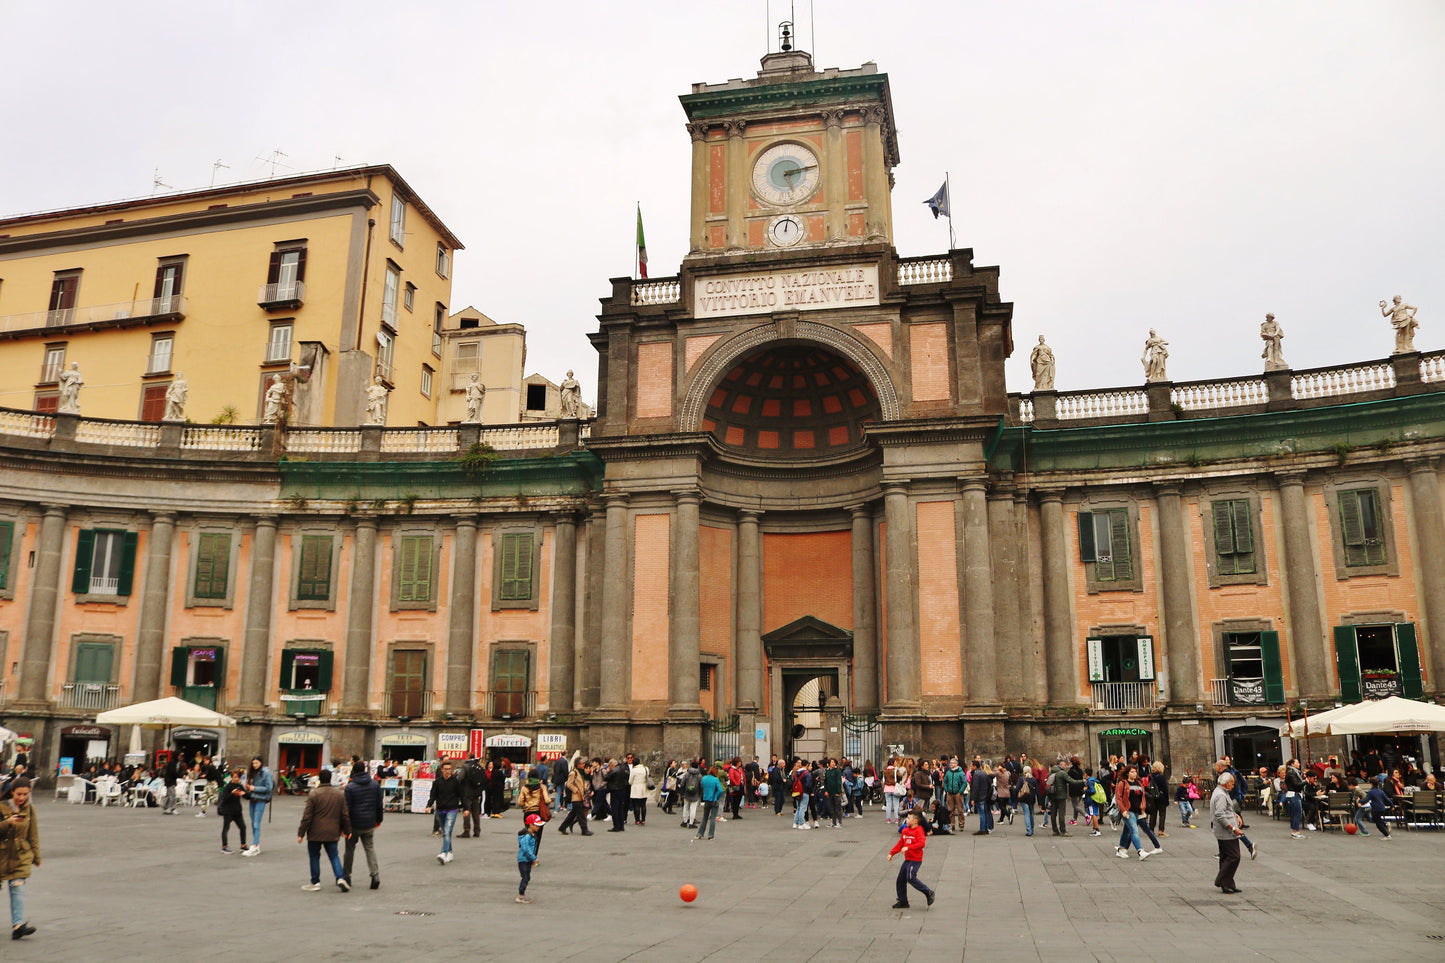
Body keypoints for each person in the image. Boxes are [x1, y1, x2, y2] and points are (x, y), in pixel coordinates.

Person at [296, 769, 351, 892]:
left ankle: (315, 882)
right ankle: (340, 877)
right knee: (334, 856)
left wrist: (301, 833)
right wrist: (347, 830)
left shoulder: (314, 794)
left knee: (314, 856)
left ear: (320, 779)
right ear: (330, 778)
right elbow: (345, 815)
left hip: (315, 831)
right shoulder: (339, 794)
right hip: (332, 831)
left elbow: (307, 816)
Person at [0, 777, 39, 940]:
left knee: (17, 888)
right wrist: (7, 822)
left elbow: (33, 833)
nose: (22, 798)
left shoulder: (29, 809)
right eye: (19, 794)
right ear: (12, 792)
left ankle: (18, 925)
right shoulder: (1, 807)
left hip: (21, 855)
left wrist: (36, 856)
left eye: (25, 794)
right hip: (1, 855)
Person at [343, 758, 384, 890]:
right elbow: (379, 805)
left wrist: (344, 826)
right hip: (369, 822)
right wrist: (378, 820)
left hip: (354, 824)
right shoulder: (375, 785)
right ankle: (375, 875)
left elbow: (347, 809)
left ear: (354, 771)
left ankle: (347, 876)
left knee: (349, 850)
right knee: (369, 848)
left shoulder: (350, 787)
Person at [887, 811, 936, 910]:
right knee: (901, 879)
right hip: (908, 859)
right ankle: (903, 901)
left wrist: (909, 848)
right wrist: (892, 853)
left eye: (909, 818)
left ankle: (928, 892)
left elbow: (921, 843)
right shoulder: (905, 831)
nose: (907, 820)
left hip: (916, 859)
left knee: (910, 877)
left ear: (915, 821)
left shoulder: (919, 830)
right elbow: (901, 843)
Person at [1211, 772, 1244, 893]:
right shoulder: (1221, 795)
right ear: (1226, 784)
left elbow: (1226, 810)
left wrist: (1235, 816)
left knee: (1225, 856)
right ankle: (1221, 880)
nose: (1233, 786)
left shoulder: (1221, 792)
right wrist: (1232, 827)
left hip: (1223, 831)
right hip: (1226, 832)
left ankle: (1228, 883)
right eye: (1232, 784)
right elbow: (1219, 814)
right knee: (1234, 856)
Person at [428, 760, 465, 864]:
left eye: (450, 769)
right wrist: (428, 805)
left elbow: (461, 795)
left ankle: (443, 853)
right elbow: (433, 795)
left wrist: (466, 808)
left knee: (447, 831)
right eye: (446, 769)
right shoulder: (437, 782)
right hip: (440, 809)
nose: (448, 771)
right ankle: (450, 852)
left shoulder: (456, 781)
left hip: (452, 809)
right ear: (442, 770)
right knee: (445, 833)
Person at [241, 757, 274, 857]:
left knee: (256, 823)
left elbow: (269, 788)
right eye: (253, 763)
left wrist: (254, 788)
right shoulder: (254, 772)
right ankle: (256, 844)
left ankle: (254, 845)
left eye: (256, 763)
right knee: (253, 822)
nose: (254, 765)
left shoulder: (266, 772)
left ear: (261, 762)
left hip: (261, 799)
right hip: (253, 798)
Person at [557, 759, 594, 836]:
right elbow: (569, 784)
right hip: (576, 796)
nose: (584, 765)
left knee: (573, 814)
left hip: (581, 796)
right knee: (580, 814)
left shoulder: (581, 773)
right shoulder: (573, 773)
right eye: (582, 763)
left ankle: (562, 827)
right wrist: (576, 790)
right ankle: (584, 829)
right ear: (578, 764)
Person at [218, 767, 249, 854]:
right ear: (231, 777)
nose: (236, 779)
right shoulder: (228, 787)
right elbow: (224, 799)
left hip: (237, 811)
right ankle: (224, 846)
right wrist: (232, 793)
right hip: (228, 811)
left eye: (238, 777)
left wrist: (245, 793)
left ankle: (243, 845)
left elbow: (247, 797)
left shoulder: (240, 786)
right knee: (226, 828)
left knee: (243, 827)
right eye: (234, 777)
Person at [516, 813, 543, 903]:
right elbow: (526, 849)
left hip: (526, 859)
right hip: (524, 859)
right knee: (525, 877)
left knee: (526, 877)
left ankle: (521, 894)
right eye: (537, 825)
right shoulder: (527, 836)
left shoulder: (531, 835)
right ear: (531, 825)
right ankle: (521, 895)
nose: (538, 827)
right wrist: (533, 858)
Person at [695, 765, 724, 841]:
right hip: (714, 800)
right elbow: (720, 790)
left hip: (706, 799)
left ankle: (699, 834)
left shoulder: (704, 778)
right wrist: (716, 797)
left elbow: (702, 787)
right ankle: (710, 835)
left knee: (705, 817)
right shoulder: (716, 779)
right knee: (712, 818)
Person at [460, 756, 486, 838]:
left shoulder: (466, 766)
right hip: (476, 793)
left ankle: (466, 830)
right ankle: (477, 830)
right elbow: (484, 780)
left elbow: (460, 778)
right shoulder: (479, 767)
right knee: (476, 812)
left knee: (467, 810)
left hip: (467, 793)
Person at [969, 757, 993, 836]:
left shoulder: (976, 774)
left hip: (980, 797)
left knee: (982, 813)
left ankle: (982, 829)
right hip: (985, 795)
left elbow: (975, 787)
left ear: (975, 766)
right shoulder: (983, 773)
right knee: (985, 813)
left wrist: (973, 799)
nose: (970, 767)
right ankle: (986, 828)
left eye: (971, 765)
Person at [605, 757, 630, 832]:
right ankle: (621, 825)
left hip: (614, 790)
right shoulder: (623, 769)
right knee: (620, 808)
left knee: (615, 809)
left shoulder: (613, 770)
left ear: (612, 765)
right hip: (622, 789)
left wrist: (608, 771)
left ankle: (616, 826)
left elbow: (606, 778)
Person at [629, 755, 651, 825]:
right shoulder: (645, 768)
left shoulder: (633, 770)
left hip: (636, 788)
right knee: (643, 805)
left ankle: (637, 820)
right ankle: (643, 819)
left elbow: (630, 781)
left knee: (636, 805)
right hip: (644, 787)